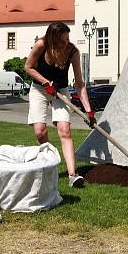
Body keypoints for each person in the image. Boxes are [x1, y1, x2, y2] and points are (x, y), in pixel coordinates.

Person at [25, 22, 95, 187]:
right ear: (52, 39)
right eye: (62, 41)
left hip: (61, 90)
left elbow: (79, 84)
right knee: (40, 132)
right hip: (39, 88)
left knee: (64, 129)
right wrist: (44, 82)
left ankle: (73, 175)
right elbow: (28, 67)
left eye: (67, 39)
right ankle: (49, 167)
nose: (66, 43)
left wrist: (89, 111)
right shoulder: (41, 45)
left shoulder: (72, 52)